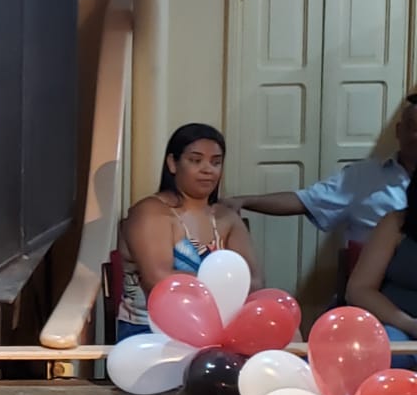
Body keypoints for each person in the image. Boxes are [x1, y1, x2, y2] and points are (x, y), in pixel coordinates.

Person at [117, 123, 263, 339]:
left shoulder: (227, 218)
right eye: (195, 160)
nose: (208, 169)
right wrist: (225, 285)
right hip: (151, 333)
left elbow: (255, 282)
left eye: (216, 162)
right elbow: (158, 280)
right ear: (172, 163)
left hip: (222, 330)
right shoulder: (150, 212)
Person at [224, 94, 416, 247]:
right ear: (398, 131)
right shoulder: (363, 176)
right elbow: (305, 200)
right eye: (411, 127)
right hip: (376, 277)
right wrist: (244, 201)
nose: (416, 136)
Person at [345, 167, 417, 369]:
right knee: (381, 355)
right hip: (398, 325)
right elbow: (359, 290)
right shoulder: (396, 222)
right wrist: (410, 324)